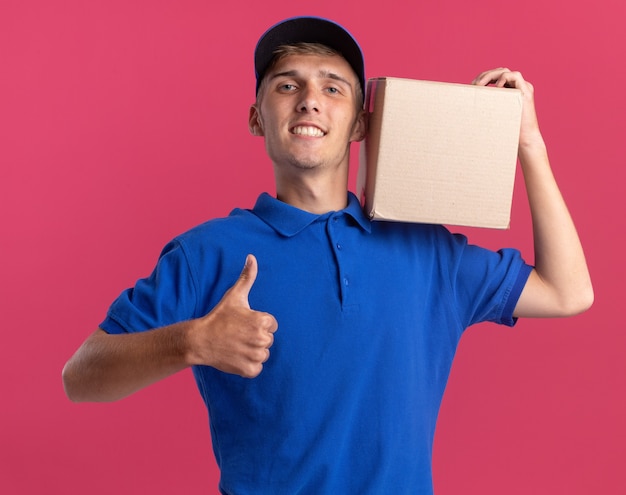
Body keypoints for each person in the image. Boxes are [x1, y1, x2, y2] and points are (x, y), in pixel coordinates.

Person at [62, 16, 593, 495]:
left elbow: (568, 292)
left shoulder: (426, 249)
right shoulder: (207, 252)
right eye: (287, 84)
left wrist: (529, 143)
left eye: (332, 87)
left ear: (361, 124)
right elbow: (81, 377)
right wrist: (192, 341)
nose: (309, 99)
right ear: (256, 118)